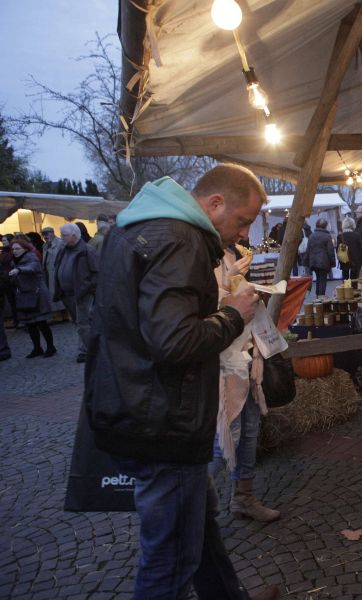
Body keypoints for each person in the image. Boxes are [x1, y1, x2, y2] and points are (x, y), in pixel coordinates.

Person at [83, 164, 279, 600]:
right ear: (215, 203)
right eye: (242, 220)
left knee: (199, 525)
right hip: (161, 420)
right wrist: (233, 315)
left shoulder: (138, 228)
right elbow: (175, 341)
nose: (243, 233)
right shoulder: (180, 240)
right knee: (170, 561)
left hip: (136, 406)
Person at [210, 244, 280, 523]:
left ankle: (244, 498)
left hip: (246, 355)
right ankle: (192, 507)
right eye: (241, 224)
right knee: (225, 439)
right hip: (222, 363)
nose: (243, 234)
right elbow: (198, 310)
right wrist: (228, 283)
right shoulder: (197, 255)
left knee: (250, 433)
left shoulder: (229, 252)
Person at [54, 223, 99, 363]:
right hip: (68, 294)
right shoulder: (63, 250)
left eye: (64, 235)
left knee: (83, 324)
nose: (61, 238)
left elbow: (97, 273)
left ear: (74, 236)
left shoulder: (87, 250)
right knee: (78, 323)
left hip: (83, 294)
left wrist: (88, 287)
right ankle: (86, 349)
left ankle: (89, 351)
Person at [9, 238, 56, 358]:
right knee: (30, 324)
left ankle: (51, 347)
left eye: (17, 248)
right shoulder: (14, 261)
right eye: (13, 249)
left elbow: (32, 267)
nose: (15, 251)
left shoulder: (31, 257)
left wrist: (19, 270)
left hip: (37, 294)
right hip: (25, 296)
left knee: (41, 323)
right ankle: (37, 348)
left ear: (25, 248)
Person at [307, 218, 335, 297]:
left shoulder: (311, 236)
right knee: (323, 279)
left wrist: (307, 262)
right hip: (324, 261)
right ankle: (321, 295)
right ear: (325, 226)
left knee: (318, 278)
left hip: (314, 261)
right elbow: (330, 250)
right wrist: (333, 262)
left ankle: (318, 295)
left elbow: (308, 249)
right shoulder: (327, 236)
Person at [41, 226, 65, 307]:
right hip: (47, 272)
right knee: (51, 291)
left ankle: (62, 310)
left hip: (57, 272)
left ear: (52, 233)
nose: (45, 236)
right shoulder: (44, 245)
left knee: (58, 291)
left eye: (46, 234)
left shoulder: (60, 243)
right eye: (43, 235)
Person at [0, 235, 18, 328]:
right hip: (5, 279)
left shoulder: (12, 251)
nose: (3, 242)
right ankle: (16, 320)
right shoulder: (3, 251)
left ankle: (19, 320)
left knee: (15, 300)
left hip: (12, 278)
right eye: (2, 240)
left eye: (5, 240)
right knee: (11, 301)